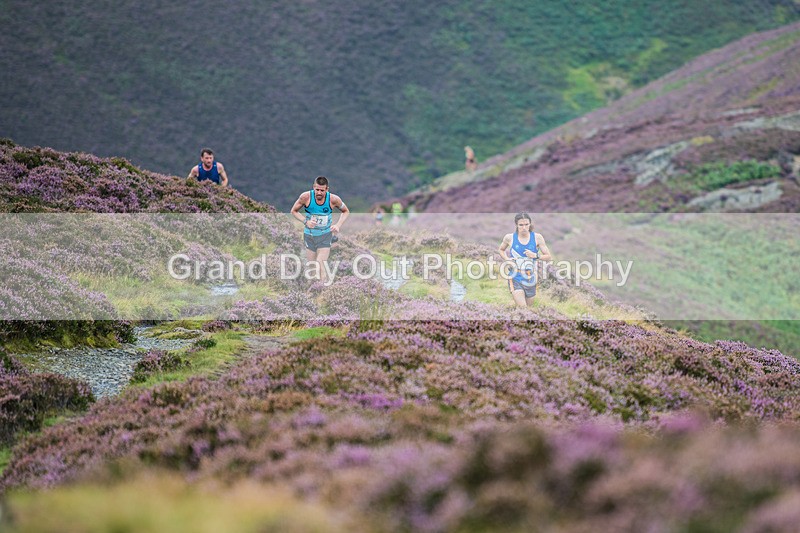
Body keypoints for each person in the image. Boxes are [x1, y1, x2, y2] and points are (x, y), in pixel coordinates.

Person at [290, 176, 350, 284]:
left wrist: (338, 225)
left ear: (327, 189)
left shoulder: (333, 199)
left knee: (320, 263)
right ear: (313, 187)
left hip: (325, 235)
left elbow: (346, 211)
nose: (319, 193)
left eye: (322, 190)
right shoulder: (305, 197)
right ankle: (312, 291)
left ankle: (323, 290)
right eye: (317, 189)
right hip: (309, 235)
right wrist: (305, 221)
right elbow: (293, 211)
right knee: (312, 267)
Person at [498, 212, 552, 307]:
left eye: (526, 224)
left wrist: (535, 255)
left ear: (530, 224)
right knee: (523, 307)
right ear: (516, 225)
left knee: (529, 308)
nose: (524, 227)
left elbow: (548, 256)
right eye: (521, 225)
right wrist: (507, 260)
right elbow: (501, 249)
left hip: (530, 277)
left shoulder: (537, 238)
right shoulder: (509, 237)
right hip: (515, 275)